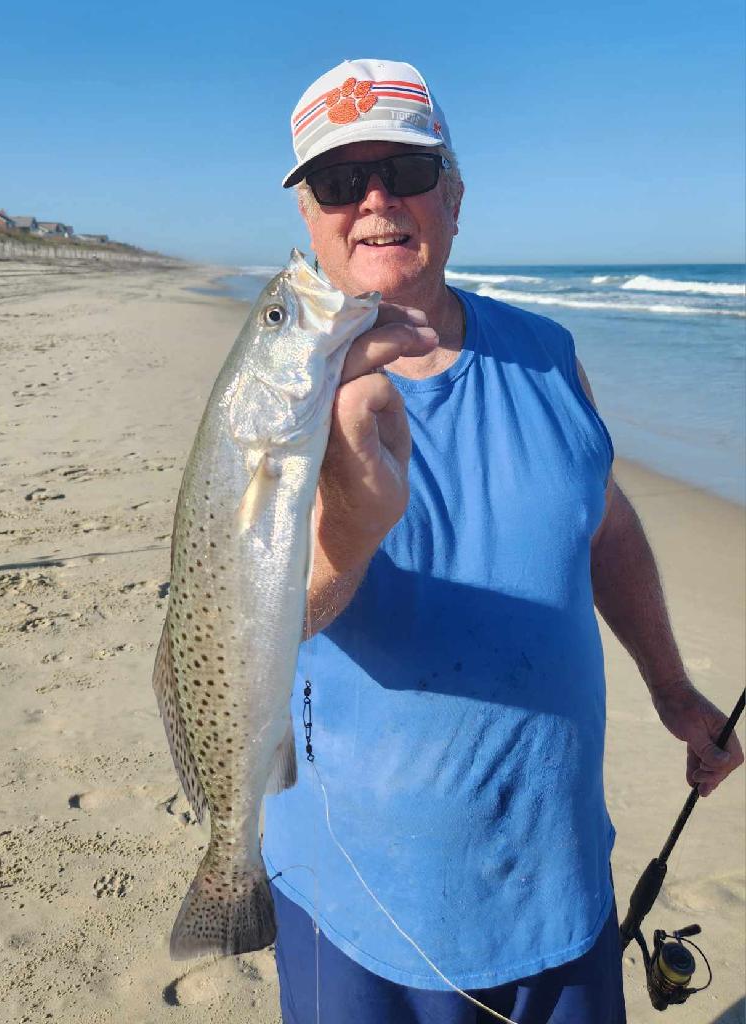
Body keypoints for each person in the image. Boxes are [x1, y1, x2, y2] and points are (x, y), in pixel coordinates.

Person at [263, 58, 743, 1024]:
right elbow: (256, 624)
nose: (373, 201)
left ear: (453, 196)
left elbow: (600, 523)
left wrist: (672, 688)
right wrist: (348, 535)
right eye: (337, 181)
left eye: (403, 170)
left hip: (561, 889)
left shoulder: (549, 354)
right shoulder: (278, 397)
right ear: (308, 218)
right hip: (362, 913)